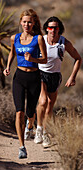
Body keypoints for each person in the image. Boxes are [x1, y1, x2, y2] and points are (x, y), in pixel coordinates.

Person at [3, 9, 47, 159]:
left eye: (29, 22)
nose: (27, 24)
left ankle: (30, 124)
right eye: (24, 22)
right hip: (19, 77)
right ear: (21, 22)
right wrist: (8, 66)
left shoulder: (38, 39)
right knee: (19, 111)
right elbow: (12, 53)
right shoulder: (14, 38)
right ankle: (22, 147)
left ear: (33, 23)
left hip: (34, 77)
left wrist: (33, 59)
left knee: (30, 112)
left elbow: (45, 59)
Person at [33, 16, 82, 148]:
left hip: (55, 76)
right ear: (46, 29)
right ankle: (38, 129)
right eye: (50, 27)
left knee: (50, 105)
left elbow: (78, 58)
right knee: (42, 101)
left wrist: (72, 76)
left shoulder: (63, 42)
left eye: (55, 27)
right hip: (40, 73)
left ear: (59, 29)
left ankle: (46, 133)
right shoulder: (41, 40)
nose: (52, 30)